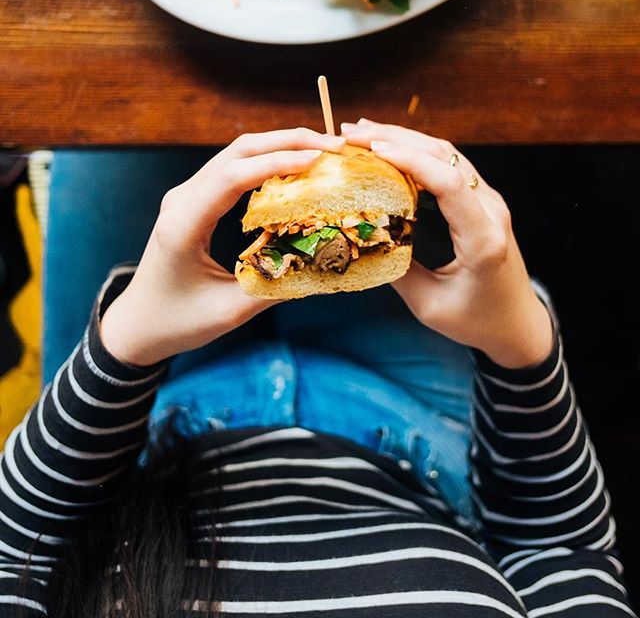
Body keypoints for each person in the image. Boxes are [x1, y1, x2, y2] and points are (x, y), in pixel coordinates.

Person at [0, 122, 635, 617]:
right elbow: (562, 553)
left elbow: (16, 549)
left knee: (124, 96)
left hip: (137, 425)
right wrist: (518, 345)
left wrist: (128, 342)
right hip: (415, 421)